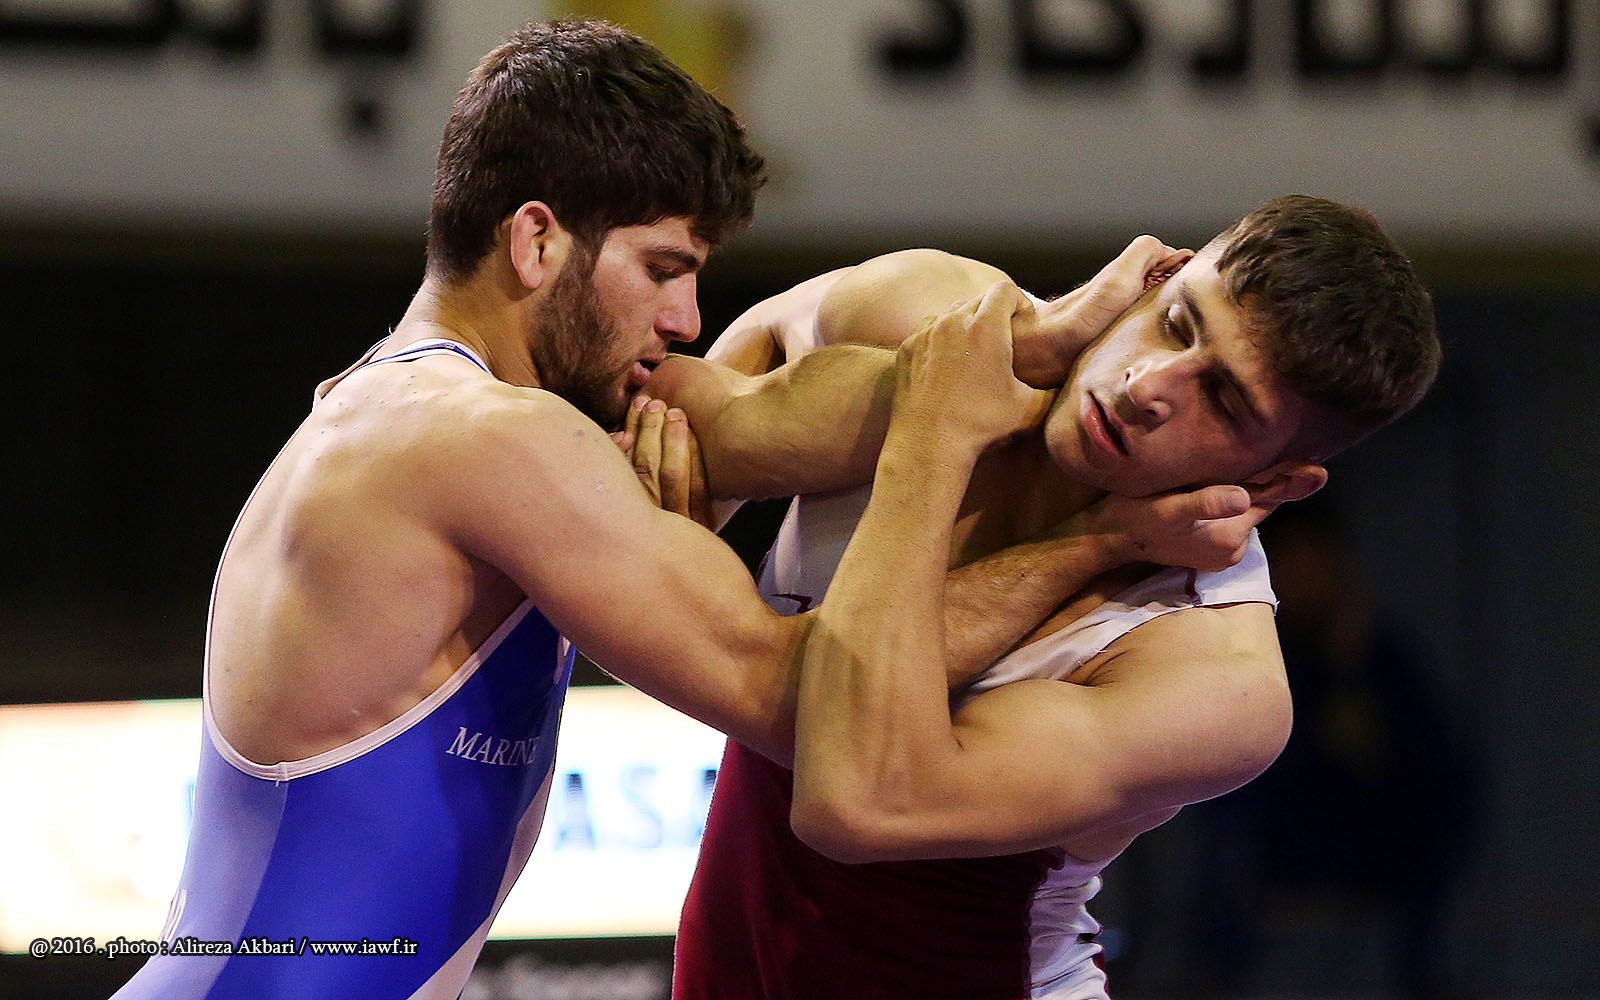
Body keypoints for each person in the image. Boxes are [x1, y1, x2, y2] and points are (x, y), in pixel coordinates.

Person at [110, 19, 1249, 1000]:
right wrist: (1094, 542)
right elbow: (820, 705)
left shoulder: (400, 406)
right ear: (536, 239)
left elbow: (762, 416)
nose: (687, 318)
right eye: (661, 267)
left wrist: (1034, 346)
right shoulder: (494, 439)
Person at [652, 196, 1440, 998]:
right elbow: (717, 375)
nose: (1147, 385)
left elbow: (857, 801)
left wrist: (935, 437)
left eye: (1224, 401)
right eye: (1177, 323)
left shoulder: (1213, 676)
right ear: (1156, 275)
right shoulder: (937, 311)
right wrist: (698, 503)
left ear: (1274, 482)